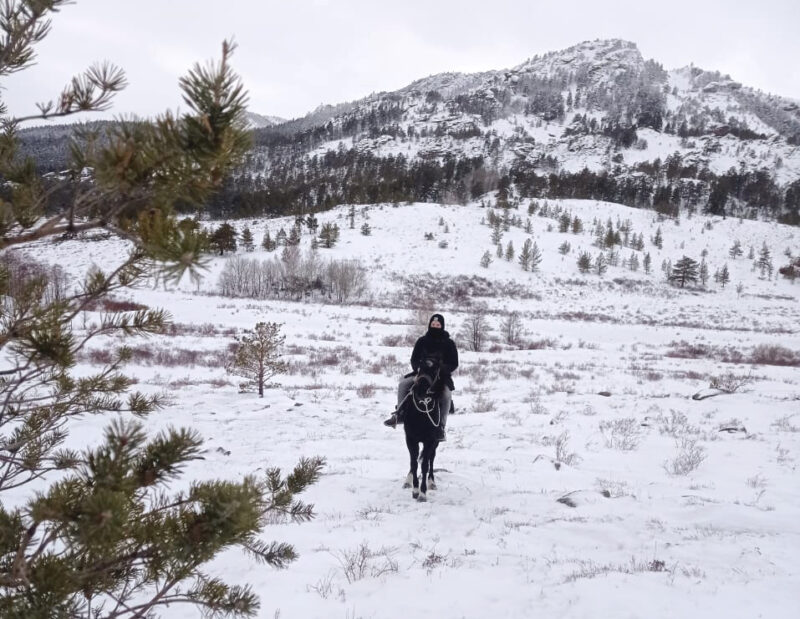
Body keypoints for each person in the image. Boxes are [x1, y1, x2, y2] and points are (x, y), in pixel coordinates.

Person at [383, 313, 458, 441]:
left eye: (438, 325)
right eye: (433, 324)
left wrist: (442, 369)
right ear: (430, 325)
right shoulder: (422, 341)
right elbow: (414, 359)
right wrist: (418, 367)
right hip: (422, 373)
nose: (435, 326)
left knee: (446, 394)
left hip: (440, 377)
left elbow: (454, 363)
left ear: (442, 326)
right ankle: (399, 414)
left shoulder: (449, 343)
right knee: (403, 384)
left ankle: (441, 427)